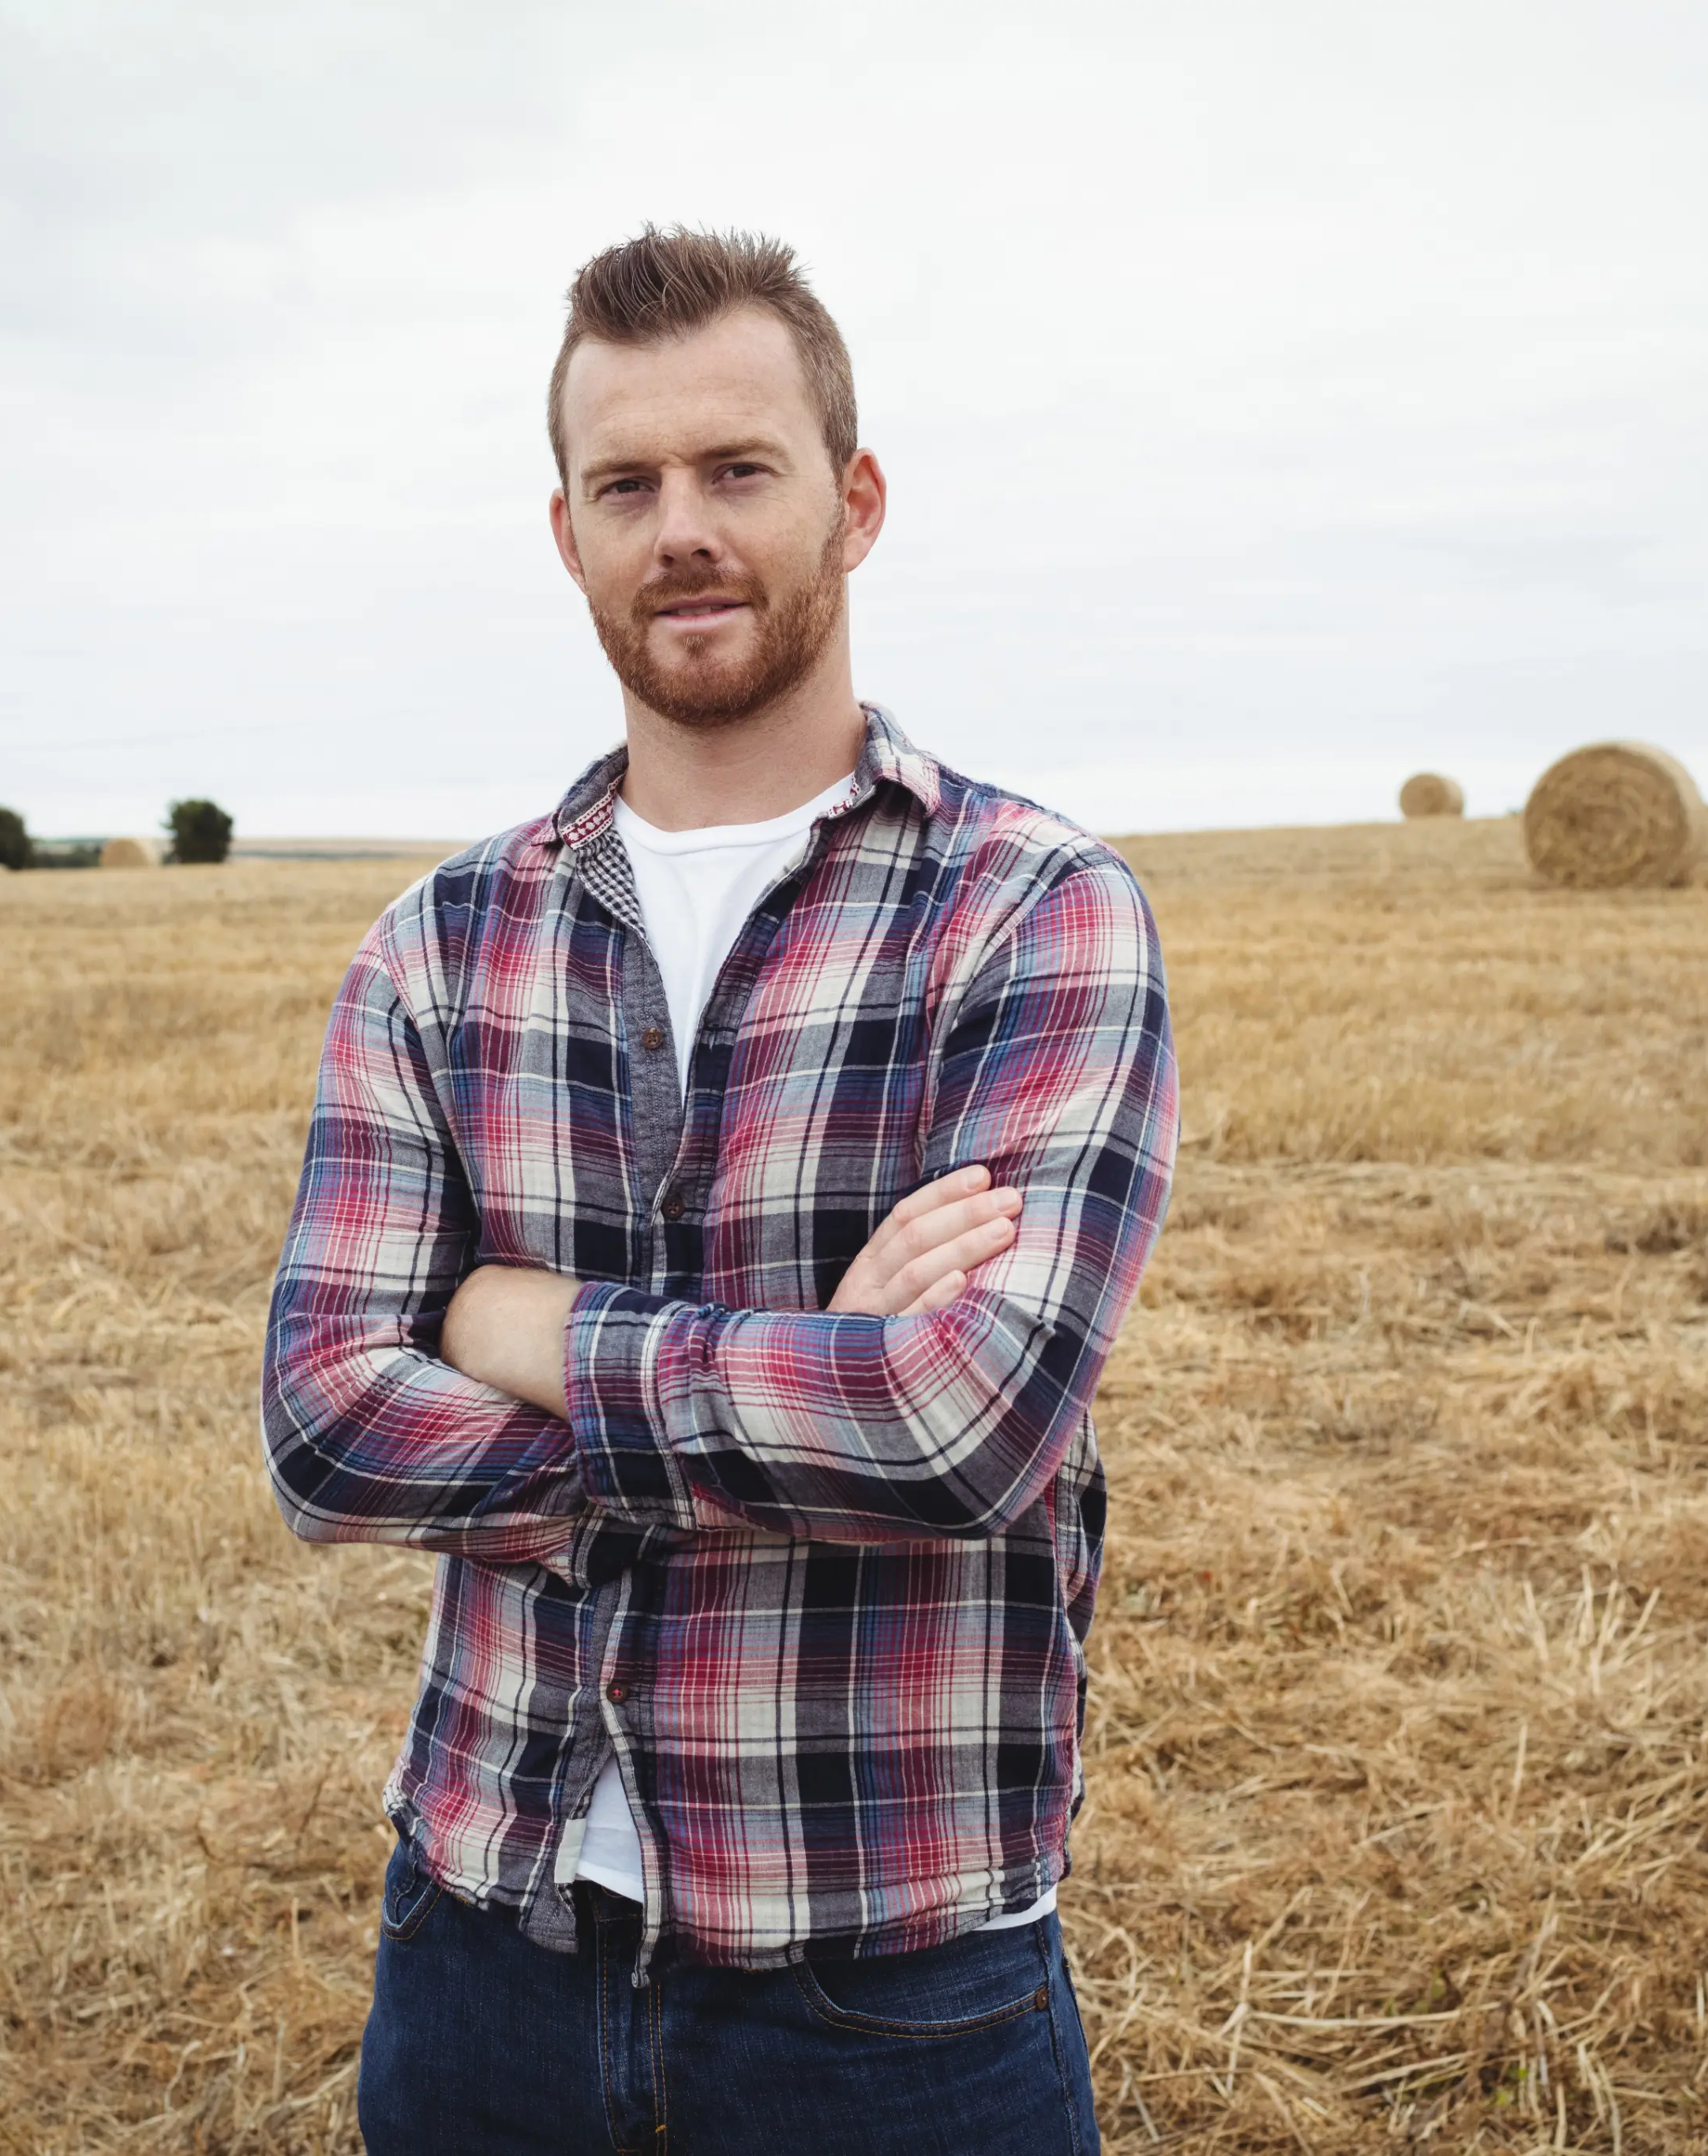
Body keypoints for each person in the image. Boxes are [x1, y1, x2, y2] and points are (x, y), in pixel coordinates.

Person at [260, 226, 1176, 2154]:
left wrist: (517, 1333)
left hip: (884, 1981)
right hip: (481, 1943)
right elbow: (328, 1426)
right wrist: (793, 1370)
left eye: (735, 471)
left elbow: (955, 1429)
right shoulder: (441, 944)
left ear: (852, 503)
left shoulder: (1029, 911)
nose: (679, 527)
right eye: (627, 485)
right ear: (567, 532)